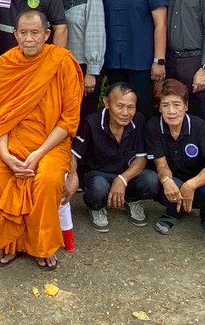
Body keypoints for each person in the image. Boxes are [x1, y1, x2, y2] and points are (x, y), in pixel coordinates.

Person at [0, 10, 83, 270]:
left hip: (50, 143)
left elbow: (69, 120)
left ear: (47, 34)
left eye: (35, 32)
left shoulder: (62, 61)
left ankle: (41, 245)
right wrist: (4, 154)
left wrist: (38, 153)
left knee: (45, 179)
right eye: (23, 32)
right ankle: (7, 241)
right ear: (15, 35)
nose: (29, 39)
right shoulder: (7, 62)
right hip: (10, 140)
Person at [67, 80, 157, 230]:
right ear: (107, 103)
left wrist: (122, 179)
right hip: (99, 174)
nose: (125, 113)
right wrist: (72, 176)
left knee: (151, 180)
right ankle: (96, 207)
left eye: (130, 107)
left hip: (127, 174)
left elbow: (141, 158)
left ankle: (132, 200)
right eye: (119, 106)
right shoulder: (92, 122)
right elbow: (73, 153)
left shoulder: (139, 120)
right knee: (97, 187)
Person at [97, 0, 168, 117]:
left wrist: (158, 61)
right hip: (114, 61)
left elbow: (161, 23)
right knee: (117, 110)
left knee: (142, 110)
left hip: (142, 61)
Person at [145, 79, 205, 235]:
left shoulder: (198, 125)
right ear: (159, 108)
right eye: (165, 105)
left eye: (176, 104)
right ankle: (172, 213)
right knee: (163, 181)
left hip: (197, 180)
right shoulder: (153, 126)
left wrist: (191, 185)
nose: (171, 111)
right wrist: (166, 180)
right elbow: (161, 165)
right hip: (174, 178)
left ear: (186, 106)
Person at [58, 0, 107, 119]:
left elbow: (96, 36)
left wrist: (91, 73)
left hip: (83, 67)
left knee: (83, 116)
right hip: (62, 66)